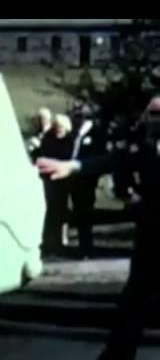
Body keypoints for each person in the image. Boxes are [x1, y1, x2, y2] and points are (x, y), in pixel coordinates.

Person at [37, 96, 160, 360]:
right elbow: (113, 160)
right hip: (149, 241)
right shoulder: (144, 147)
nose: (153, 122)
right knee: (131, 309)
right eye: (151, 115)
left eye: (158, 115)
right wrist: (72, 167)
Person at [68, 108, 107, 258]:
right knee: (79, 213)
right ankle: (83, 247)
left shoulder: (96, 134)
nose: (75, 120)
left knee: (85, 214)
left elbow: (99, 157)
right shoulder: (74, 134)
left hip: (87, 179)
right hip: (73, 178)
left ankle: (86, 248)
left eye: (78, 117)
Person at [33, 114, 74, 258]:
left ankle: (60, 242)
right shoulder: (48, 139)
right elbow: (42, 153)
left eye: (61, 127)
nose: (58, 130)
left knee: (61, 212)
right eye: (56, 127)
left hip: (63, 181)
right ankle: (50, 243)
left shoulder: (69, 140)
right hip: (49, 181)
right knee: (50, 212)